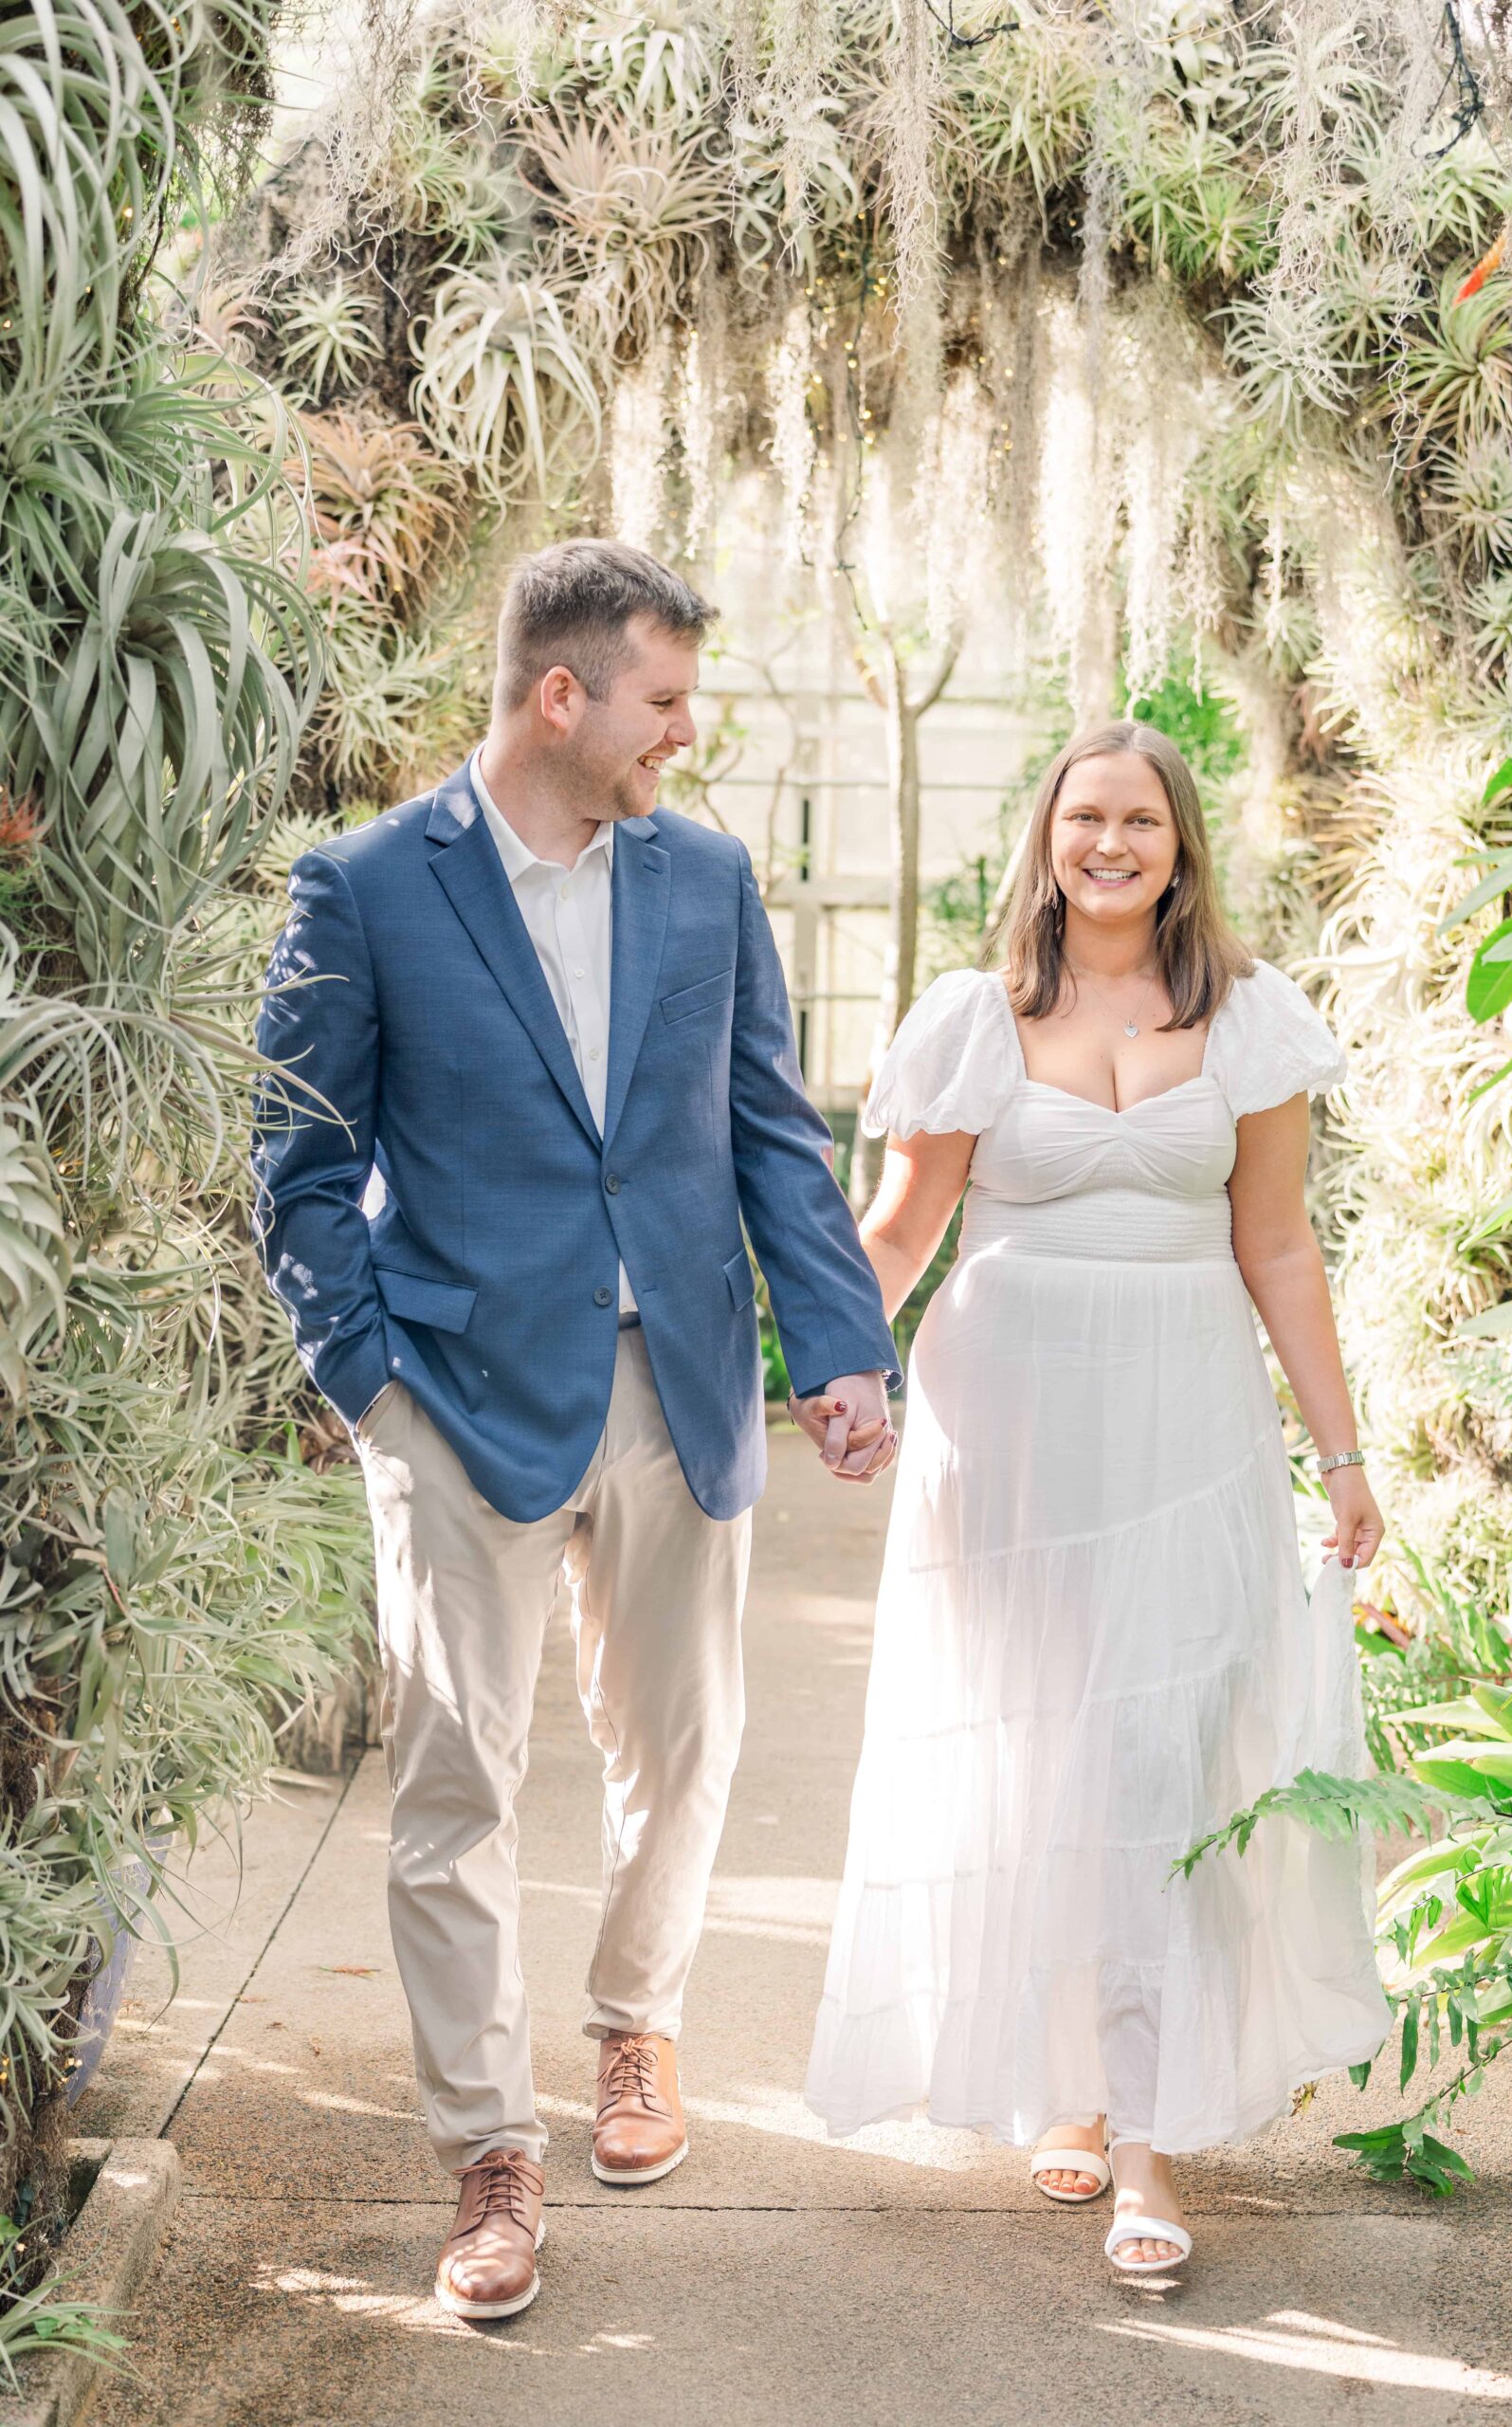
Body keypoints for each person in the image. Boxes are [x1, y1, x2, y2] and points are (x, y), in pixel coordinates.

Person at [251, 538, 898, 2323]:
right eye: (665, 701)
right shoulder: (368, 887)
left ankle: (636, 2027)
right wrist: (369, 1384)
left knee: (684, 1755)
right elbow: (299, 1165)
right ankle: (489, 2147)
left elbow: (770, 1131)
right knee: (459, 1786)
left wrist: (843, 1349)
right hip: (456, 1398)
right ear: (565, 696)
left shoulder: (705, 880)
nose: (685, 733)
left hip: (681, 1385)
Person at [806, 720, 1391, 2274]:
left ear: (1181, 843)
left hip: (1188, 1420)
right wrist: (827, 1368)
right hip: (1010, 1424)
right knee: (1045, 1744)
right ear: (1048, 840)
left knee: (1163, 1750)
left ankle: (1146, 2140)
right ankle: (1068, 2090)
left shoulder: (1251, 1020)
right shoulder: (975, 1018)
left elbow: (1279, 1250)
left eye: (1141, 819)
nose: (1112, 844)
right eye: (1087, 820)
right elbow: (897, 1228)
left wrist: (1340, 1455)